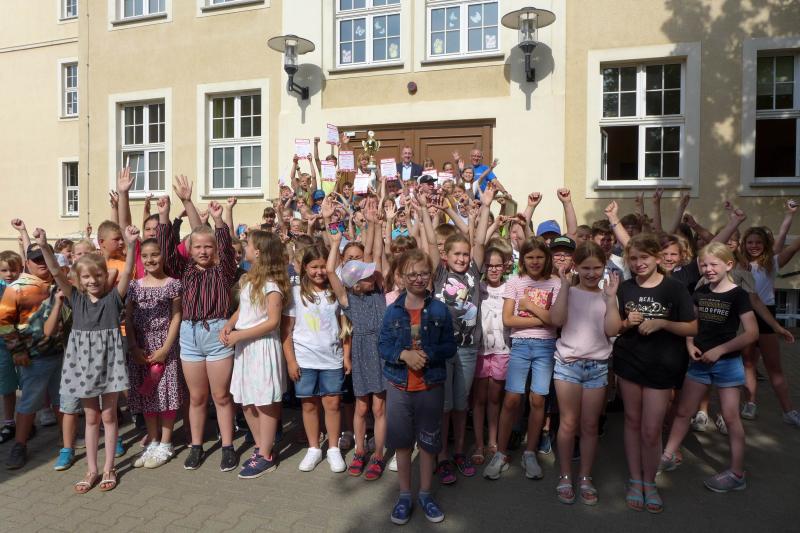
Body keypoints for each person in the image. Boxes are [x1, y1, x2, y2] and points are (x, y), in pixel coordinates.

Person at [33, 224, 136, 493]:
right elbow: (56, 272)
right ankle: (91, 469)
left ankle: (109, 467)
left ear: (105, 275)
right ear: (78, 279)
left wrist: (131, 244)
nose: (92, 281)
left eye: (98, 275)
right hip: (83, 364)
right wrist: (44, 245)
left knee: (109, 416)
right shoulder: (75, 298)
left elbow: (127, 271)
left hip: (109, 362)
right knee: (91, 418)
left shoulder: (114, 298)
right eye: (87, 277)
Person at [660, 242, 758, 492]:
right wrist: (689, 343)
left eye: (714, 264)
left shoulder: (738, 295)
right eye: (704, 265)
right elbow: (691, 322)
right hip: (700, 363)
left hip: (727, 364)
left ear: (729, 264)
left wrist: (721, 350)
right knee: (684, 412)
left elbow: (751, 333)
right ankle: (668, 456)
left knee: (731, 417)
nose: (708, 269)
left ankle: (737, 472)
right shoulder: (700, 292)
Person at [157, 180, 240, 472]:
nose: (203, 251)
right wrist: (165, 217)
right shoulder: (184, 271)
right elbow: (166, 252)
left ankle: (227, 446)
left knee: (221, 396)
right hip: (190, 334)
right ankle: (196, 446)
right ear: (190, 249)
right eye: (198, 247)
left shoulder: (224, 270)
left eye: (208, 247)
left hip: (217, 332)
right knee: (197, 397)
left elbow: (227, 250)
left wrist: (219, 221)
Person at [612, 234, 696, 513]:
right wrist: (627, 322)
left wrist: (662, 323)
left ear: (657, 258)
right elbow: (614, 327)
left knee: (651, 429)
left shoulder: (674, 288)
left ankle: (650, 482)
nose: (639, 263)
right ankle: (636, 480)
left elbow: (692, 327)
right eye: (633, 258)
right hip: (629, 363)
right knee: (632, 422)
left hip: (662, 366)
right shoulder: (625, 288)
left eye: (645, 257)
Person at [378, 249, 457, 525]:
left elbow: (450, 346)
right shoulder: (392, 311)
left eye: (424, 273)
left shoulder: (439, 309)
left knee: (428, 442)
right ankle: (404, 495)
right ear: (401, 276)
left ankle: (425, 493)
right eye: (412, 274)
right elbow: (383, 345)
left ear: (430, 275)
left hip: (430, 386)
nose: (418, 278)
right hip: (399, 387)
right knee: (401, 444)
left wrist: (429, 354)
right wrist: (404, 355)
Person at [420, 185, 492, 484]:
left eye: (465, 254)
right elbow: (428, 244)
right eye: (457, 254)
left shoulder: (473, 273)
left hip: (467, 348)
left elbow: (479, 241)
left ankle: (459, 451)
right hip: (442, 349)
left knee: (461, 405)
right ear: (445, 256)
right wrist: (426, 211)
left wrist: (485, 206)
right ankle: (442, 456)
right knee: (445, 406)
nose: (462, 258)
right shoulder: (439, 274)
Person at [483, 236, 561, 481]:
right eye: (530, 257)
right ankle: (501, 453)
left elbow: (558, 320)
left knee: (538, 400)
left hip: (545, 347)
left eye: (539, 257)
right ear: (523, 260)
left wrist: (531, 307)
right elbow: (509, 319)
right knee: (511, 400)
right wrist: (544, 319)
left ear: (546, 259)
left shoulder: (555, 283)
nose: (535, 261)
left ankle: (530, 453)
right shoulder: (515, 282)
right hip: (520, 346)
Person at [549, 242, 621, 505]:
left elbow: (612, 330)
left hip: (597, 368)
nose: (591, 273)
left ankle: (585, 477)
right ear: (576, 267)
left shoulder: (608, 294)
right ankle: (566, 475)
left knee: (590, 425)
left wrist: (611, 299)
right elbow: (556, 320)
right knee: (568, 423)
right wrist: (564, 286)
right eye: (586, 268)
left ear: (604, 267)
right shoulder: (567, 290)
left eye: (597, 268)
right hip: (568, 365)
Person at [222, 230, 289, 479]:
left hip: (262, 347)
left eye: (248, 245)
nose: (245, 248)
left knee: (264, 402)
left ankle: (266, 454)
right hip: (246, 348)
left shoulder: (272, 285)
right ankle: (262, 448)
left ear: (258, 252)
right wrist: (230, 324)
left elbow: (273, 322)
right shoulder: (248, 280)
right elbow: (243, 309)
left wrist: (240, 335)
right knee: (247, 401)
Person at [327, 227, 388, 480]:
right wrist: (335, 243)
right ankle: (360, 451)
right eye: (365, 274)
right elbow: (330, 272)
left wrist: (375, 224)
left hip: (381, 352)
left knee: (379, 407)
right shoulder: (347, 299)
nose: (371, 274)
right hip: (362, 353)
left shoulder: (379, 291)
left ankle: (378, 455)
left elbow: (376, 253)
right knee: (361, 407)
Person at [281, 245, 349, 473]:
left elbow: (345, 327)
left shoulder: (335, 292)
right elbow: (286, 331)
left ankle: (333, 448)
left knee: (333, 404)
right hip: (305, 360)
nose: (319, 271)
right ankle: (313, 448)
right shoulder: (295, 294)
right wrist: (291, 361)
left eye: (323, 267)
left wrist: (346, 356)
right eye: (314, 267)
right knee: (308, 405)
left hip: (332, 359)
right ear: (304, 268)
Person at [0, 241, 66, 470]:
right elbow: (4, 321)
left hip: (60, 353)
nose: (42, 264)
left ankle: (65, 439)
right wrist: (17, 350)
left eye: (45, 258)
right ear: (27, 263)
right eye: (36, 260)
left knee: (61, 400)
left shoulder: (58, 283)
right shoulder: (17, 288)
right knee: (29, 402)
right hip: (33, 357)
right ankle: (20, 445)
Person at [126, 233, 184, 470]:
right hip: (142, 348)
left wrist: (166, 348)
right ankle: (153, 440)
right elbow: (128, 318)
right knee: (148, 395)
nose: (150, 260)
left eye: (155, 255)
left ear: (163, 257)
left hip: (164, 346)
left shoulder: (173, 284)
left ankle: (166, 443)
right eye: (146, 256)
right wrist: (133, 347)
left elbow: (176, 316)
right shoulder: (134, 286)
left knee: (167, 394)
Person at [740, 223, 800, 425]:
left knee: (773, 365)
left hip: (766, 315)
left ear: (765, 244)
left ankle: (788, 411)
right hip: (745, 315)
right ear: (744, 244)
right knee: (748, 363)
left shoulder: (773, 263)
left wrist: (790, 217)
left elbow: (794, 246)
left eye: (758, 242)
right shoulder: (739, 265)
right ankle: (750, 403)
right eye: (750, 242)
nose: (754, 246)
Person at [471, 245, 511, 466]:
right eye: (489, 265)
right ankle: (478, 444)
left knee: (495, 398)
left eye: (498, 265)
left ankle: (493, 441)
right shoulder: (477, 287)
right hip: (480, 350)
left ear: (505, 266)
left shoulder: (510, 287)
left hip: (502, 351)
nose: (493, 269)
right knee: (479, 399)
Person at [0, 250, 23, 445]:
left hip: (24, 343)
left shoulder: (24, 288)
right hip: (2, 345)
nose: (9, 274)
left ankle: (26, 421)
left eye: (13, 270)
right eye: (4, 270)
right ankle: (9, 423)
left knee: (27, 384)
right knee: (7, 386)